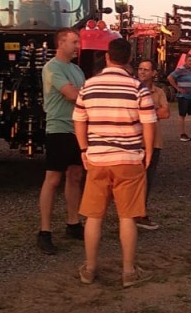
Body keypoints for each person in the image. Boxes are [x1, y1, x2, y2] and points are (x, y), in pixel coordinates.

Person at [74, 38, 157, 288]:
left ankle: (89, 269)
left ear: (108, 57)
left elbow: (79, 120)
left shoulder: (88, 86)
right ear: (130, 59)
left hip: (98, 158)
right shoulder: (138, 87)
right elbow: (149, 123)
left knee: (93, 216)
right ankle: (129, 271)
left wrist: (83, 150)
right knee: (128, 217)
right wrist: (148, 151)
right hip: (129, 159)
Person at [37, 28, 86, 254]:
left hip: (77, 128)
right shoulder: (52, 67)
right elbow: (72, 94)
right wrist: (83, 93)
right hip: (58, 128)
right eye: (74, 42)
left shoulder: (76, 69)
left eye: (78, 42)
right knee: (53, 178)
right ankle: (44, 232)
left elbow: (81, 93)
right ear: (61, 42)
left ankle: (73, 223)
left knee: (75, 175)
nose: (78, 46)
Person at [135, 59, 170, 230]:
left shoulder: (159, 92)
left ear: (154, 73)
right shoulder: (131, 89)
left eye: (146, 70)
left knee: (147, 180)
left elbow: (166, 113)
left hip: (153, 142)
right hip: (134, 141)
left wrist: (145, 111)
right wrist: (153, 111)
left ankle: (141, 213)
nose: (142, 72)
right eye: (140, 69)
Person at [168, 53, 191, 141]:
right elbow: (170, 77)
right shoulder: (180, 70)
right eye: (189, 61)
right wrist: (177, 88)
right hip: (183, 96)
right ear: (185, 61)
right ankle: (182, 133)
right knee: (182, 115)